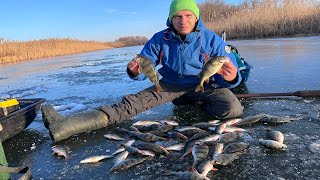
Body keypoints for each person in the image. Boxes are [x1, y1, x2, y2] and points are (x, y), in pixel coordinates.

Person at [41, 0, 245, 142]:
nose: (183, 21)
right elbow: (142, 65)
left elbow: (232, 78)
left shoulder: (212, 40)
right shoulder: (159, 39)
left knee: (233, 109)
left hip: (204, 84)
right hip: (169, 85)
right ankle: (65, 126)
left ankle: (196, 101)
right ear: (171, 19)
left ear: (196, 17)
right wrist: (133, 70)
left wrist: (233, 77)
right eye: (178, 16)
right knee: (130, 104)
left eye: (188, 15)